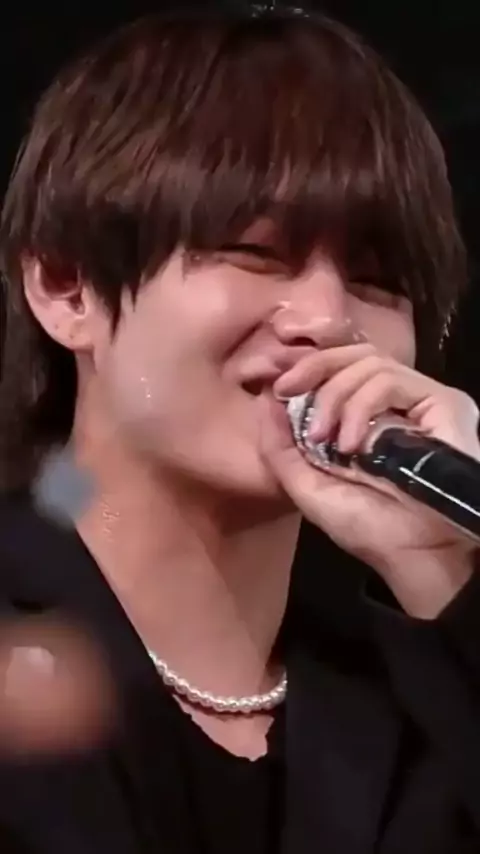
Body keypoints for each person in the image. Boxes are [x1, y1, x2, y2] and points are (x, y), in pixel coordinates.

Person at [0, 5, 479, 853]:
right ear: (67, 288)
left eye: (377, 279)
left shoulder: (429, 707)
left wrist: (442, 570)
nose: (328, 319)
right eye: (257, 254)